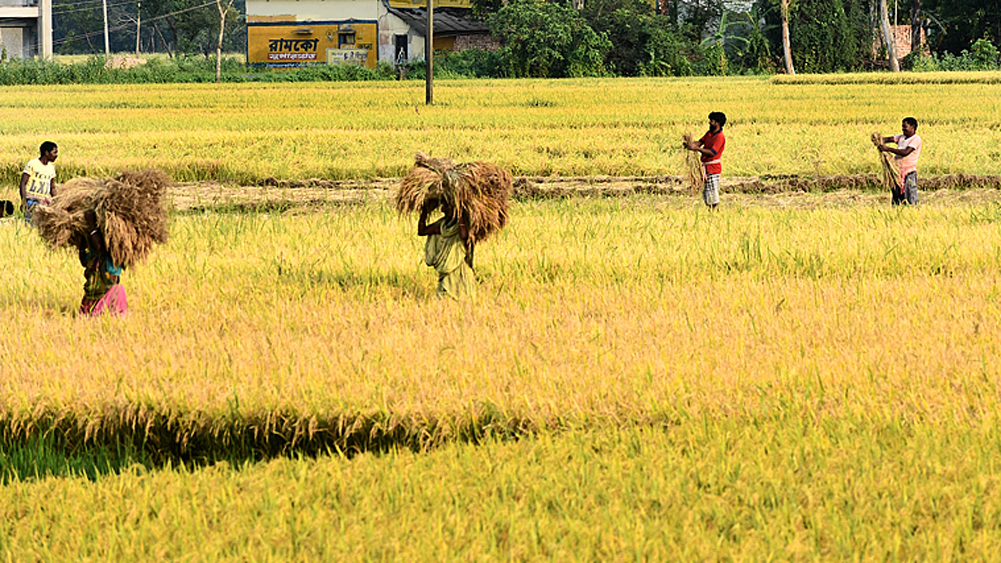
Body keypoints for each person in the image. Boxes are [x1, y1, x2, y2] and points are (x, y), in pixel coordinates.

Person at [418, 200, 475, 299]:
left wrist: (460, 215)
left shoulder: (463, 224)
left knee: (463, 297)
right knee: (444, 297)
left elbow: (463, 235)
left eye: (449, 207)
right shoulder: (443, 225)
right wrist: (424, 214)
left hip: (460, 266)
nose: (445, 209)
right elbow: (422, 231)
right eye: (445, 207)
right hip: (446, 266)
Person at [76, 209, 128, 316]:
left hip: (108, 294)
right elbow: (84, 261)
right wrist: (81, 244)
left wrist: (92, 226)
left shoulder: (114, 252)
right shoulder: (93, 252)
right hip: (92, 293)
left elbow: (101, 248)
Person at [686, 111, 726, 210]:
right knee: (706, 191)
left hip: (713, 168)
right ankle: (710, 209)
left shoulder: (720, 137)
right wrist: (690, 144)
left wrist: (697, 149)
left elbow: (713, 152)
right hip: (706, 167)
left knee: (712, 190)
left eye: (711, 121)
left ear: (717, 123)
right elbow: (700, 142)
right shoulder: (709, 133)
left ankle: (714, 210)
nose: (709, 123)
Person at [878, 117, 922, 205]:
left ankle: (912, 212)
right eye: (902, 126)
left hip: (909, 172)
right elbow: (890, 139)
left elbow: (905, 152)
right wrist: (879, 140)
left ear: (912, 127)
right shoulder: (902, 137)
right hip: (897, 171)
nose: (903, 129)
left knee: (910, 196)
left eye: (905, 127)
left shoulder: (916, 139)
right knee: (896, 196)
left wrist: (888, 149)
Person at [19, 141, 58, 224]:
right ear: (46, 153)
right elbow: (23, 183)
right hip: (31, 200)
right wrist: (24, 202)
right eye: (54, 152)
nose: (56, 155)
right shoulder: (32, 164)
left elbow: (52, 188)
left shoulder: (51, 168)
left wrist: (59, 201)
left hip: (44, 201)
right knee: (32, 224)